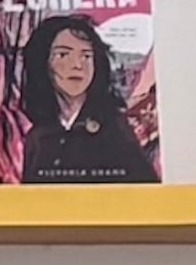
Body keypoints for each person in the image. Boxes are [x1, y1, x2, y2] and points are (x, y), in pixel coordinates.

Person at [14, 11, 156, 181]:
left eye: (86, 56)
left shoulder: (114, 128)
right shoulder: (37, 138)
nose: (77, 65)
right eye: (63, 55)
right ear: (42, 61)